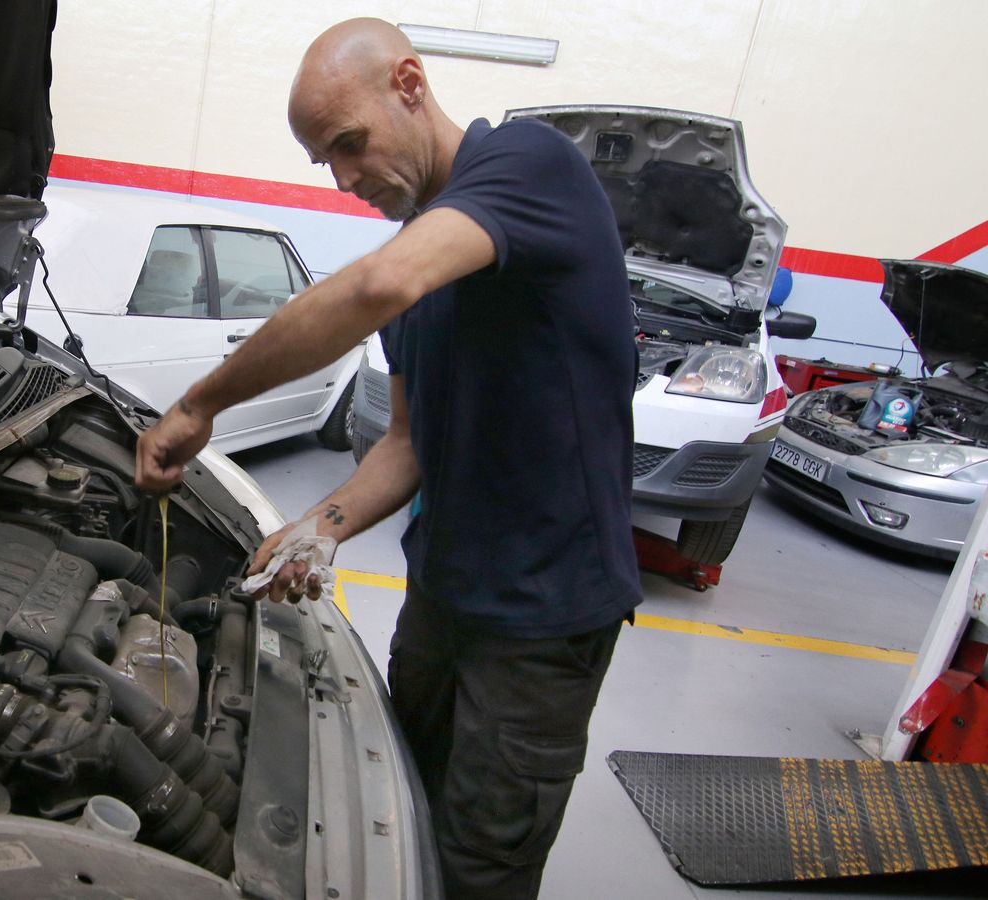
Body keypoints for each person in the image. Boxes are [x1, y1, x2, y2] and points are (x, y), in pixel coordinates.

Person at [133, 16, 642, 900]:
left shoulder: (528, 165)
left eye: (350, 144)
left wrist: (200, 402)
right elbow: (409, 445)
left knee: (484, 866)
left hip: (542, 620)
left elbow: (375, 284)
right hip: (442, 596)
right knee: (403, 815)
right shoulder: (426, 279)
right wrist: (318, 528)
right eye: (325, 161)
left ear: (409, 85)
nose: (344, 179)